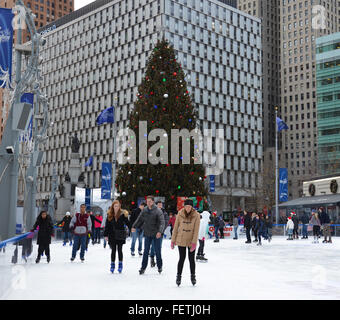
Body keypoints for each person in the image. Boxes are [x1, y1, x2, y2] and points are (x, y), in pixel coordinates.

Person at [132, 195, 165, 275]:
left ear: (153, 202)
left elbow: (162, 222)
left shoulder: (158, 211)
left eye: (150, 201)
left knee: (157, 251)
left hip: (156, 234)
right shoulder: (145, 210)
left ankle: (159, 266)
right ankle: (143, 268)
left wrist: (159, 232)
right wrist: (134, 226)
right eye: (147, 201)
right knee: (146, 251)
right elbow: (139, 219)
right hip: (147, 233)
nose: (148, 203)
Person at [171, 199, 200, 286]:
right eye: (186, 206)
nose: (187, 208)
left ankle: (193, 276)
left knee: (191, 260)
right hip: (181, 239)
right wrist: (173, 240)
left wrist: (194, 242)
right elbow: (175, 228)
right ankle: (178, 276)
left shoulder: (196, 215)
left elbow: (196, 230)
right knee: (181, 259)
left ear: (192, 207)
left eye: (189, 206)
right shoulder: (180, 214)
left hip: (191, 240)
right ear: (184, 206)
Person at [104, 200, 129, 273]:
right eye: (115, 206)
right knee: (113, 250)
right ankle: (112, 265)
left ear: (119, 207)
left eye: (118, 206)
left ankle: (120, 264)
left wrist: (132, 227)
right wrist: (105, 235)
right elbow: (107, 226)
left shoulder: (123, 214)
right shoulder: (109, 215)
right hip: (112, 235)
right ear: (113, 207)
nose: (116, 207)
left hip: (120, 234)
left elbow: (128, 223)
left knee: (120, 250)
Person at [150, 201, 169, 268]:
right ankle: (152, 258)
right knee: (153, 246)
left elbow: (166, 222)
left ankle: (158, 260)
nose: (160, 206)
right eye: (159, 205)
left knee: (159, 246)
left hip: (160, 232)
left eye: (161, 205)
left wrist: (161, 230)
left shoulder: (165, 213)